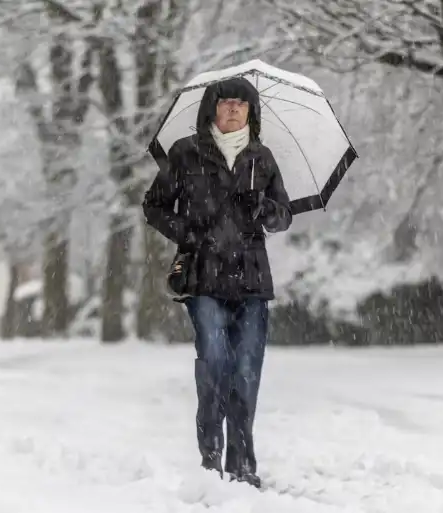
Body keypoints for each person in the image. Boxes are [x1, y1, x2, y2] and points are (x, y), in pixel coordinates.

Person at [142, 77, 293, 488]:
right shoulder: (185, 153)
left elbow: (285, 215)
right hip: (203, 278)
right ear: (212, 108)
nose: (232, 110)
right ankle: (210, 460)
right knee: (215, 364)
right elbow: (153, 206)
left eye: (240, 105)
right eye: (225, 103)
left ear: (250, 112)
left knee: (246, 371)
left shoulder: (262, 159)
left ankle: (243, 464)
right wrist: (188, 232)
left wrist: (263, 208)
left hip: (252, 282)